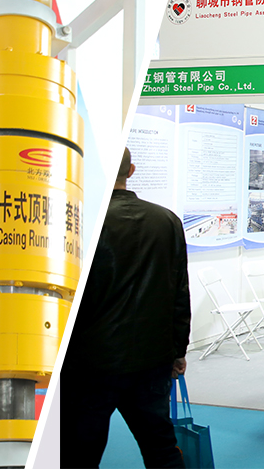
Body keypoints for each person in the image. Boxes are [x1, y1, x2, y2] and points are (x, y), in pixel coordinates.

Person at [59, 149, 190, 468]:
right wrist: (178, 351)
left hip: (90, 363)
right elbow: (179, 294)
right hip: (152, 359)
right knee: (162, 449)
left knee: (78, 454)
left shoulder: (81, 222)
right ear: (131, 170)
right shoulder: (167, 221)